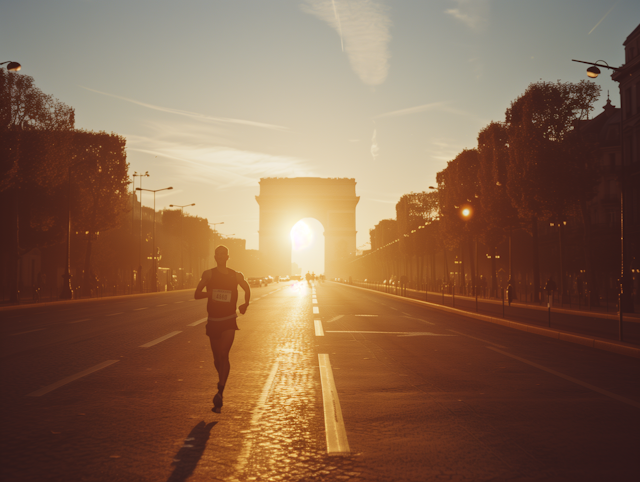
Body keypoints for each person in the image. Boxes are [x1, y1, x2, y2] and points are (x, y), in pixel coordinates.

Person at [194, 245, 250, 413]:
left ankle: (220, 391)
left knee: (224, 354)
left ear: (227, 257)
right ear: (215, 257)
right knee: (217, 360)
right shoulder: (208, 274)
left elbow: (247, 289)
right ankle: (222, 379)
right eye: (217, 254)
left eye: (223, 254)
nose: (220, 256)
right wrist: (209, 294)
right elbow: (197, 294)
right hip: (213, 321)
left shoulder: (236, 275)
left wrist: (246, 303)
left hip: (228, 320)